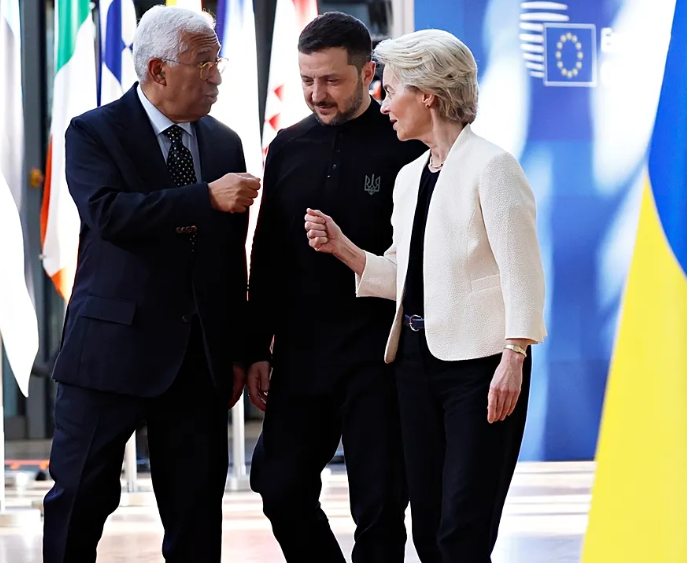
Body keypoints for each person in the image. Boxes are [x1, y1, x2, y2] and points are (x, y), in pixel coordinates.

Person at [304, 29, 547, 563]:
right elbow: (407, 277)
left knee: (464, 526)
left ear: (428, 95)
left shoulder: (493, 167)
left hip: (481, 370)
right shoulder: (410, 176)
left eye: (391, 91)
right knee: (430, 527)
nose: (384, 105)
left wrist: (514, 355)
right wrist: (344, 248)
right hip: (414, 367)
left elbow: (523, 272)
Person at [41, 6, 259, 562]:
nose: (216, 76)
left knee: (195, 512)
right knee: (80, 499)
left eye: (218, 61)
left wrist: (239, 349)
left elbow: (229, 258)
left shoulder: (224, 142)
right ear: (157, 70)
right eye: (205, 63)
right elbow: (109, 216)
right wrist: (204, 198)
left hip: (196, 360)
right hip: (110, 352)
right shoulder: (93, 131)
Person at [246, 12, 426, 563]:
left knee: (380, 505)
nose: (315, 94)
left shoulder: (405, 146)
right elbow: (269, 252)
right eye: (306, 80)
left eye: (331, 80)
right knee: (277, 484)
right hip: (301, 354)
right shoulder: (286, 145)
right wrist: (257, 348)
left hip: (381, 354)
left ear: (368, 73)